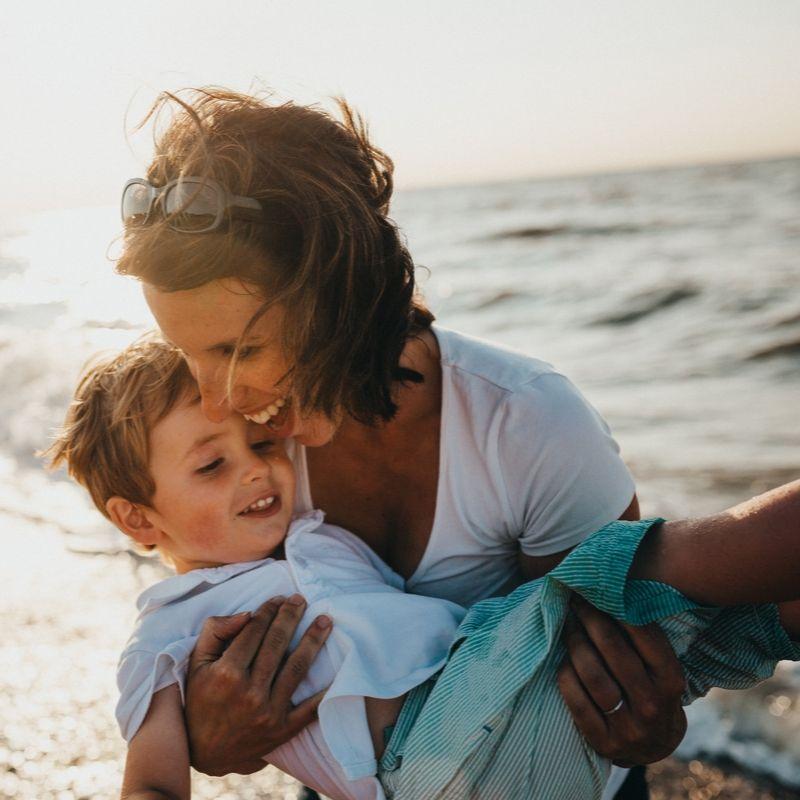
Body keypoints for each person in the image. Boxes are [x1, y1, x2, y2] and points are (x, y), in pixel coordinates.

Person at [115, 86, 686, 799]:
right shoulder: (245, 453)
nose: (215, 400)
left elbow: (616, 671)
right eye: (187, 355)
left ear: (340, 295)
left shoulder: (529, 426)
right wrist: (208, 734)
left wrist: (650, 725)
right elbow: (207, 610)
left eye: (240, 349)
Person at [47, 337, 800, 800]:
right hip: (431, 755)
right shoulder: (169, 632)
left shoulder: (313, 535)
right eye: (212, 464)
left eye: (261, 444)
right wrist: (203, 744)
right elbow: (150, 780)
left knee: (724, 626)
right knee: (621, 575)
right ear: (138, 519)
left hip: (521, 733)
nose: (258, 470)